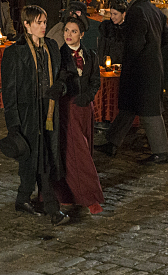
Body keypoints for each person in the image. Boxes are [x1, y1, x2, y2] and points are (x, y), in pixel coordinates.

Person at [0, 5, 69, 226]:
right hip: (28, 113)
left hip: (48, 111)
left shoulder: (52, 47)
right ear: (27, 25)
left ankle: (23, 198)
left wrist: (59, 86)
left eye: (44, 22)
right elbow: (9, 91)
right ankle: (52, 209)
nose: (43, 26)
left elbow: (62, 74)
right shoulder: (15, 52)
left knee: (44, 156)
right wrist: (13, 124)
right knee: (35, 158)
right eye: (38, 22)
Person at [96, 0, 168, 164]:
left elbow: (135, 43)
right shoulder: (154, 10)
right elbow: (167, 37)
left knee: (150, 110)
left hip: (140, 69)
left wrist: (130, 58)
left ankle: (161, 152)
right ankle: (112, 143)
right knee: (129, 107)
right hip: (152, 65)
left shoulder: (136, 11)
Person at [52, 16, 104, 214]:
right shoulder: (60, 55)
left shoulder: (90, 55)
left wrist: (88, 96)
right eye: (66, 30)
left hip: (85, 108)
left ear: (81, 34)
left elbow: (95, 80)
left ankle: (72, 193)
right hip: (68, 108)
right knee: (76, 151)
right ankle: (89, 197)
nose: (68, 35)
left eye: (73, 31)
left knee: (84, 149)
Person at [98, 0, 127, 65]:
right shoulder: (107, 28)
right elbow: (102, 50)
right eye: (111, 14)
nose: (112, 17)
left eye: (115, 14)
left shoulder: (129, 30)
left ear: (123, 14)